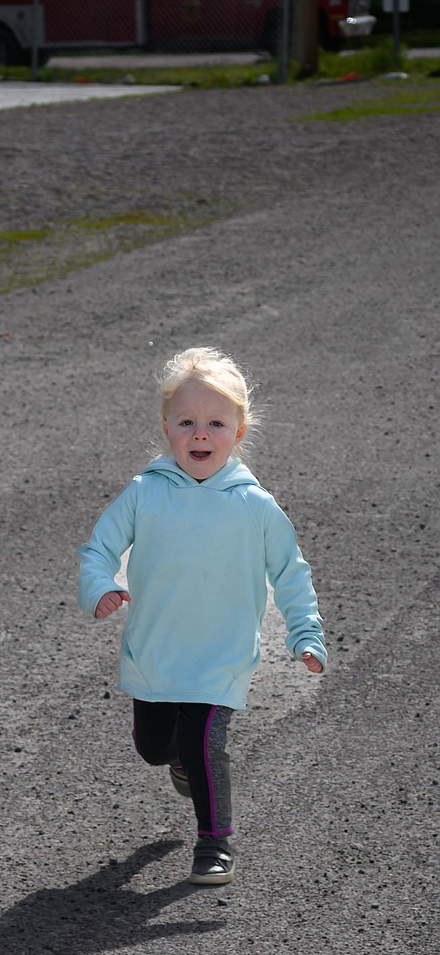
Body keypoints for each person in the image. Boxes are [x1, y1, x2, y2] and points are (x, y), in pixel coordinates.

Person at [77, 346, 326, 886]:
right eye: (187, 421)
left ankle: (214, 842)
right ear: (167, 426)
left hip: (222, 655)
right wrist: (100, 585)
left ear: (238, 432)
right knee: (154, 749)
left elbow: (291, 572)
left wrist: (305, 634)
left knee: (205, 740)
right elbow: (99, 549)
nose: (200, 434)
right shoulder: (145, 493)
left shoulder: (255, 506)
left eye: (216, 422)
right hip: (156, 653)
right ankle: (182, 765)